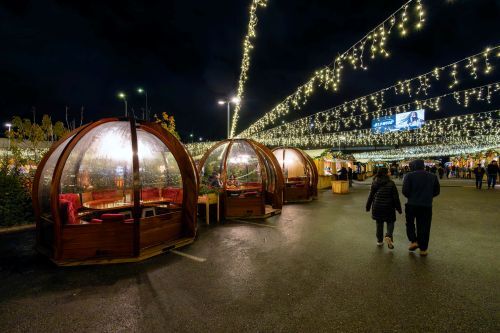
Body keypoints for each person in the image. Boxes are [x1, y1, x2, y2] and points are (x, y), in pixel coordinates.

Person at [402, 159, 440, 256]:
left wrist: (411, 197)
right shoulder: (433, 176)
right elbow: (437, 191)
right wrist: (428, 197)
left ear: (413, 166)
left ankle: (413, 241)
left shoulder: (409, 176)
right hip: (426, 205)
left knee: (410, 223)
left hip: (412, 204)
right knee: (425, 226)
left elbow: (405, 191)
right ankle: (423, 249)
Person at [366, 167, 402, 249]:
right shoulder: (391, 183)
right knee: (390, 222)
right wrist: (399, 209)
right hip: (389, 207)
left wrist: (368, 206)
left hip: (377, 206)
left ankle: (379, 241)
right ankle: (389, 235)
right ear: (385, 173)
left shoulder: (375, 182)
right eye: (388, 171)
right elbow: (396, 197)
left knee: (379, 223)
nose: (389, 172)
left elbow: (371, 195)